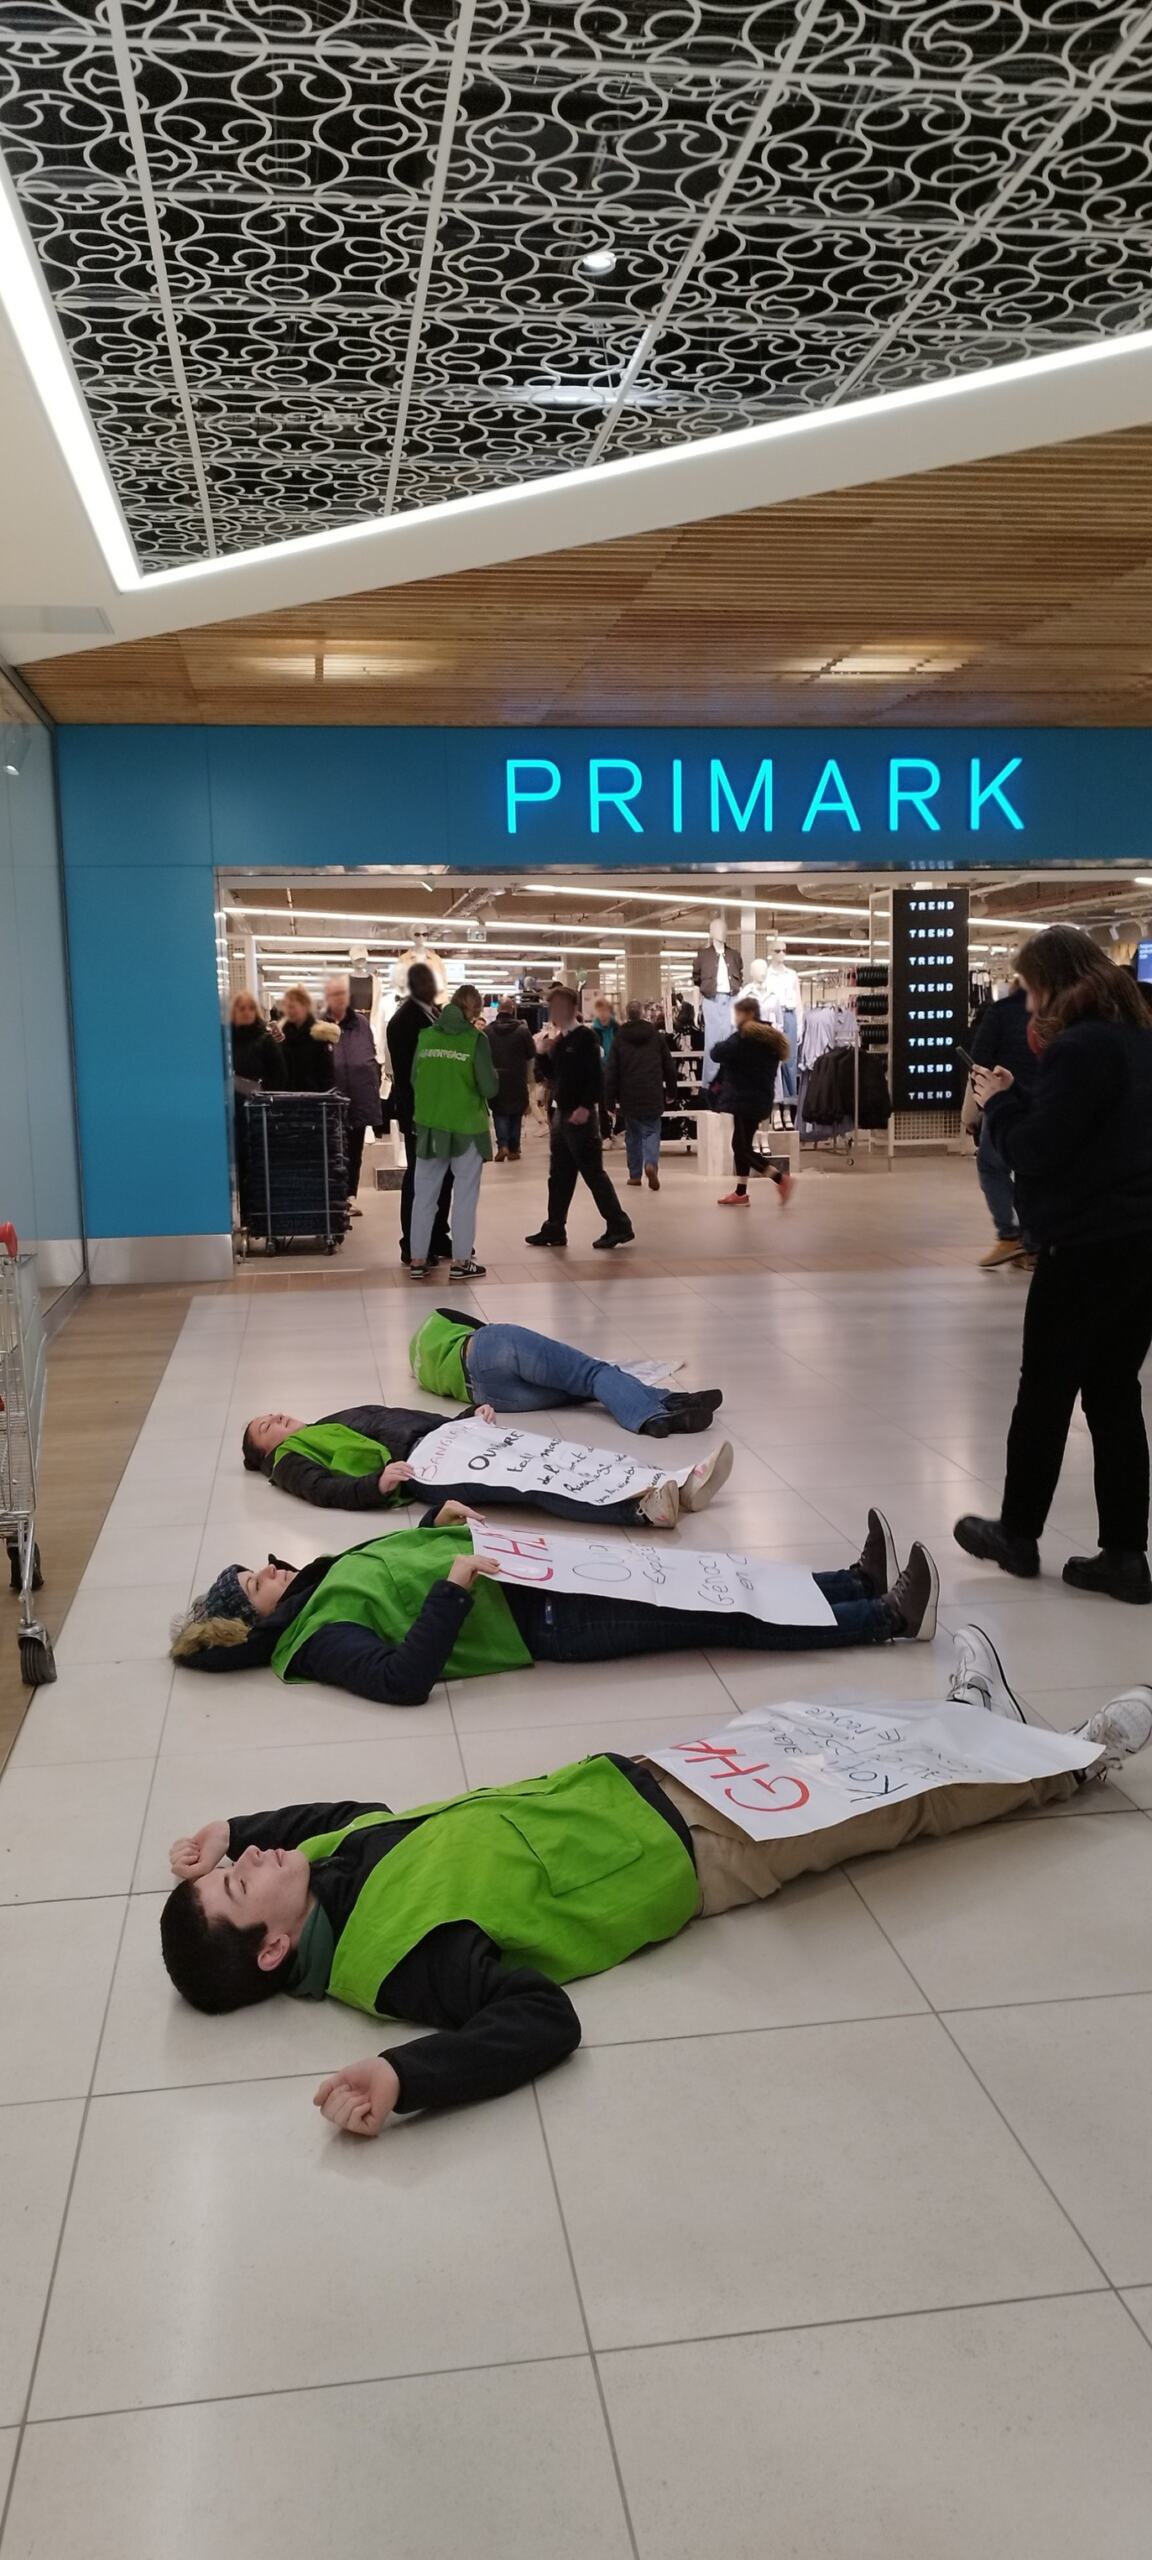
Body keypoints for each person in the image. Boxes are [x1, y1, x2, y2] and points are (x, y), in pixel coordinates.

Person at [158, 1624, 1152, 2136]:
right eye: (243, 1884)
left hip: (635, 1784)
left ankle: (976, 1716)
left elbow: (334, 1816)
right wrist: (407, 2075)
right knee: (887, 1807)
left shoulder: (329, 1873)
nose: (252, 1863)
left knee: (827, 1735)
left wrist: (235, 1827)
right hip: (692, 1846)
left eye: (241, 1864)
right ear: (278, 1949)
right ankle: (1066, 1763)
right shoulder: (397, 1960)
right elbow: (539, 2019)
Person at [168, 1510, 940, 1712]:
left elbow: (393, 1574)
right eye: (261, 1579)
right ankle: (881, 1621)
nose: (274, 1568)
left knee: (703, 1580)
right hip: (544, 1620)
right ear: (255, 1616)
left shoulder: (317, 1588)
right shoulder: (311, 1640)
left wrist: (437, 1525)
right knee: (712, 1616)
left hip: (536, 1578)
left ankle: (845, 1583)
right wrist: (457, 1582)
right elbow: (402, 1679)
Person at [955, 925, 1152, 1604]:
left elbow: (1037, 1151)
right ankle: (1126, 1554)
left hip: (1086, 1245)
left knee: (1043, 1392)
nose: (1030, 1001)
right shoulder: (1137, 1039)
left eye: (1031, 986)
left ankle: (1018, 1532)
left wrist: (1001, 1101)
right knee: (1114, 1394)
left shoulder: (1081, 1047)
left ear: (1050, 981)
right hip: (1139, 1241)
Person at [240, 1403, 732, 1532]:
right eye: (265, 1426)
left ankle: (671, 1481)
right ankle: (640, 1510)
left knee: (558, 1455)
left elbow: (400, 1420)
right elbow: (324, 1490)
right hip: (422, 1466)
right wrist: (376, 1484)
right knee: (532, 1483)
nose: (275, 1417)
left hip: (447, 1437)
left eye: (273, 1412)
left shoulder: (332, 1420)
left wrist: (462, 1419)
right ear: (265, 1454)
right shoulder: (288, 1461)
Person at [409, 1304, 722, 1436]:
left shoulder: (421, 1369)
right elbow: (479, 1327)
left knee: (582, 1390)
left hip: (487, 1394)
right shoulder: (436, 1318)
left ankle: (670, 1402)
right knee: (590, 1373)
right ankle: (651, 1417)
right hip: (489, 1346)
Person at [527, 984, 634, 1252]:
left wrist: (586, 1106)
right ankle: (554, 1226)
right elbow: (552, 1076)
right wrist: (542, 1054)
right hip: (563, 1114)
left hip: (581, 1118)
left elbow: (597, 1077)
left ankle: (619, 1224)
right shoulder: (561, 1041)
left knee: (592, 1173)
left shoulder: (585, 1039)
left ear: (572, 1009)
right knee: (560, 1174)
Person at [408, 982, 497, 1283]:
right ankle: (461, 1262)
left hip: (430, 1126)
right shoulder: (477, 1040)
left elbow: (412, 1078)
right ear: (475, 1011)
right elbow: (489, 1087)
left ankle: (418, 1259)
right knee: (464, 1197)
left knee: (424, 1196)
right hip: (467, 1128)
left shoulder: (426, 1036)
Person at [386, 962, 453, 1269]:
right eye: (424, 981)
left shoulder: (434, 1013)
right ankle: (413, 1244)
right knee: (420, 1178)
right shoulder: (404, 1021)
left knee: (444, 1177)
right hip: (422, 1113)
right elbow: (408, 1074)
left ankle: (439, 1235)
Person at [969, 978, 1036, 1268]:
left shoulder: (1001, 1011)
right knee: (1031, 1170)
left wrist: (975, 1106)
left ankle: (1009, 1235)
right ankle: (1033, 1243)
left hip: (1005, 1101)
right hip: (1045, 1100)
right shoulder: (1059, 1011)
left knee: (991, 1165)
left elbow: (979, 1060)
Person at [709, 997, 792, 1207]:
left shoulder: (744, 1037)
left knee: (742, 1147)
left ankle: (779, 1179)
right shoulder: (771, 1039)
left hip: (744, 1099)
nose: (735, 1018)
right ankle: (741, 1192)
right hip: (760, 1098)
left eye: (738, 1014)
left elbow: (716, 1053)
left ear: (748, 1014)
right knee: (741, 1144)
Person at [323, 974, 382, 1215]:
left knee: (354, 1150)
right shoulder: (319, 1025)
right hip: (329, 1099)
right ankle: (331, 1197)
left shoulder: (361, 1023)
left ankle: (347, 1197)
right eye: (334, 994)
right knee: (332, 1150)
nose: (339, 999)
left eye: (342, 994)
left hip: (358, 1098)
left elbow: (369, 1058)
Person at [605, 998, 675, 1192]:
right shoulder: (655, 1036)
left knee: (633, 1135)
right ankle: (651, 1164)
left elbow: (611, 1070)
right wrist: (671, 1090)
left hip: (628, 1094)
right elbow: (668, 1064)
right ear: (643, 1014)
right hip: (652, 1091)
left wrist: (609, 1100)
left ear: (627, 1015)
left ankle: (635, 1176)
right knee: (652, 1131)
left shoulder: (619, 1038)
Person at [485, 996, 535, 1161]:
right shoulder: (522, 1031)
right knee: (516, 1112)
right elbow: (531, 1054)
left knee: (499, 1112)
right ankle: (514, 1148)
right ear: (512, 1009)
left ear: (498, 1010)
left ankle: (503, 1145)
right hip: (517, 1077)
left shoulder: (488, 1031)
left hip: (495, 1077)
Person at [278, 984, 339, 1093]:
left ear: (305, 1006)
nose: (289, 1010)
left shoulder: (319, 1036)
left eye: (292, 1006)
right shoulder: (282, 1036)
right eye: (287, 1006)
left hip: (314, 1100)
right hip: (286, 1100)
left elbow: (328, 1075)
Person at [229, 992, 286, 1091]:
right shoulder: (227, 1040)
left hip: (260, 1102)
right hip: (231, 1102)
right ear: (234, 1012)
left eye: (251, 1008)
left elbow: (279, 1077)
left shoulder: (266, 1041)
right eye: (242, 1008)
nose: (247, 1012)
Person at [590, 993, 618, 1142]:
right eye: (599, 1011)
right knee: (603, 1104)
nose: (602, 1014)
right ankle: (605, 1135)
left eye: (604, 1010)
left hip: (617, 1070)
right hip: (601, 1071)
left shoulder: (617, 1028)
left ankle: (618, 1132)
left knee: (618, 1103)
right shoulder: (593, 1031)